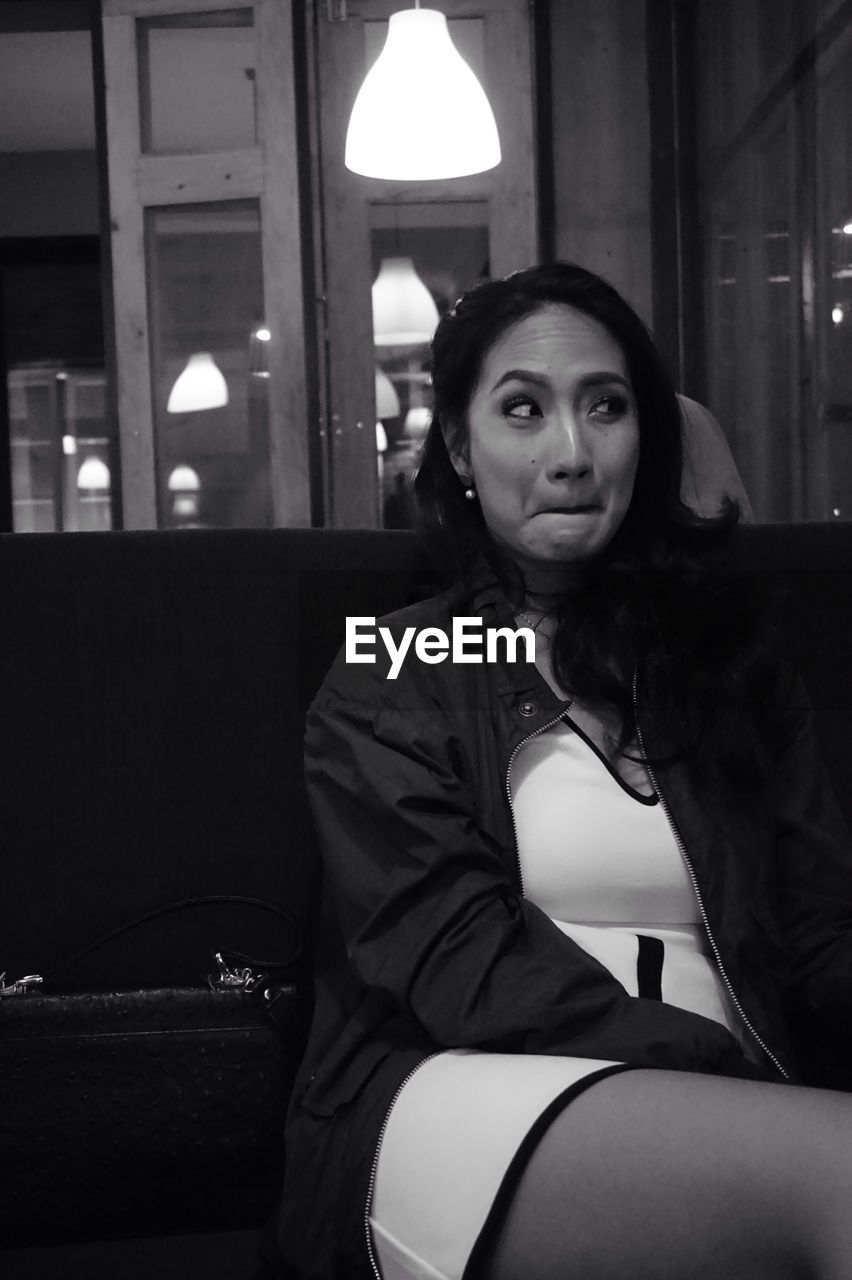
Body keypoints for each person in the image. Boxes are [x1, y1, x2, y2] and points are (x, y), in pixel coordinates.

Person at [275, 262, 852, 1280]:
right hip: (464, 1090)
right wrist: (731, 1072)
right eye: (523, 410)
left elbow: (819, 930)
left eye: (606, 406)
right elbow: (460, 967)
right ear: (461, 446)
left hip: (736, 1102)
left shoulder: (727, 664)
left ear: (648, 437)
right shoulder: (398, 665)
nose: (572, 453)